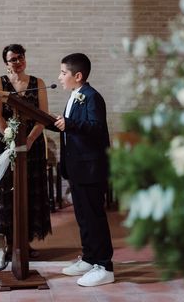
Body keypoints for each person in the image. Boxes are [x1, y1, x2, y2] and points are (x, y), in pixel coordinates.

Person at [53, 53, 114, 287]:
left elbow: (97, 128)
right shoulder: (74, 96)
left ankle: (105, 266)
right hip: (77, 168)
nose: (59, 77)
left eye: (63, 72)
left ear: (77, 76)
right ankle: (89, 259)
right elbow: (74, 129)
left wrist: (70, 124)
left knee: (94, 217)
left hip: (91, 168)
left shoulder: (92, 97)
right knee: (83, 218)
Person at [0, 43, 52, 259]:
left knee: (29, 190)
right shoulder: (0, 83)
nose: (18, 62)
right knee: (8, 191)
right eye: (13, 59)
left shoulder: (38, 83)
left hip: (31, 144)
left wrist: (30, 139)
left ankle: (25, 243)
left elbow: (43, 116)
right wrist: (10, 136)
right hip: (5, 143)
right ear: (6, 63)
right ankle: (8, 242)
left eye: (21, 57)